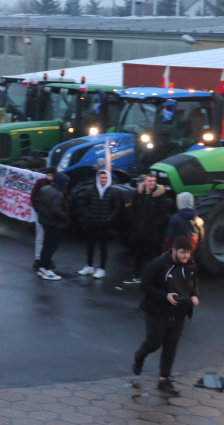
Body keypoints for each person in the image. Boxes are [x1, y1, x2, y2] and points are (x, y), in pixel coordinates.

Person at [132, 236, 200, 395]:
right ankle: (139, 355)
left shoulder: (191, 266)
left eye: (188, 253)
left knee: (171, 347)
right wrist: (166, 296)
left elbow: (194, 285)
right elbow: (145, 286)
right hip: (159, 312)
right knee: (153, 343)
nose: (185, 256)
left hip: (179, 314)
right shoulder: (158, 264)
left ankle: (164, 379)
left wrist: (195, 295)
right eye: (182, 252)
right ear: (174, 250)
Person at [125, 174, 171, 284]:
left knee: (153, 256)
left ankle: (153, 278)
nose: (152, 183)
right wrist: (134, 222)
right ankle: (136, 276)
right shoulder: (138, 193)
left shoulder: (159, 195)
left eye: (154, 181)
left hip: (152, 232)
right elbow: (132, 208)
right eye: (150, 181)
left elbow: (164, 214)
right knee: (138, 255)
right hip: (139, 231)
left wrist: (154, 224)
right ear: (145, 181)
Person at [76, 169, 122, 279]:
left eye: (105, 178)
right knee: (90, 245)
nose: (103, 180)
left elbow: (116, 208)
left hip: (105, 224)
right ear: (98, 178)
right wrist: (88, 216)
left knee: (103, 247)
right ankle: (89, 266)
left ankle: (102, 269)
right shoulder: (90, 190)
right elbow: (84, 204)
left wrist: (109, 218)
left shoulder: (113, 192)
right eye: (102, 178)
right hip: (92, 222)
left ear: (108, 179)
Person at [35, 172, 70, 280]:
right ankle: (47, 270)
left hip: (45, 221)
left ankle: (42, 268)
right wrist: (65, 216)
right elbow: (56, 210)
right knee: (51, 247)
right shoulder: (58, 193)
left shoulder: (45, 189)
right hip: (54, 223)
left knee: (46, 246)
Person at [29, 168, 55, 270]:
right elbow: (33, 196)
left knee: (50, 238)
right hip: (41, 213)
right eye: (48, 175)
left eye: (51, 176)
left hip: (51, 215)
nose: (49, 177)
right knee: (40, 237)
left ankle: (50, 259)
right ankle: (38, 258)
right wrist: (37, 209)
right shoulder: (40, 182)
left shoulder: (54, 184)